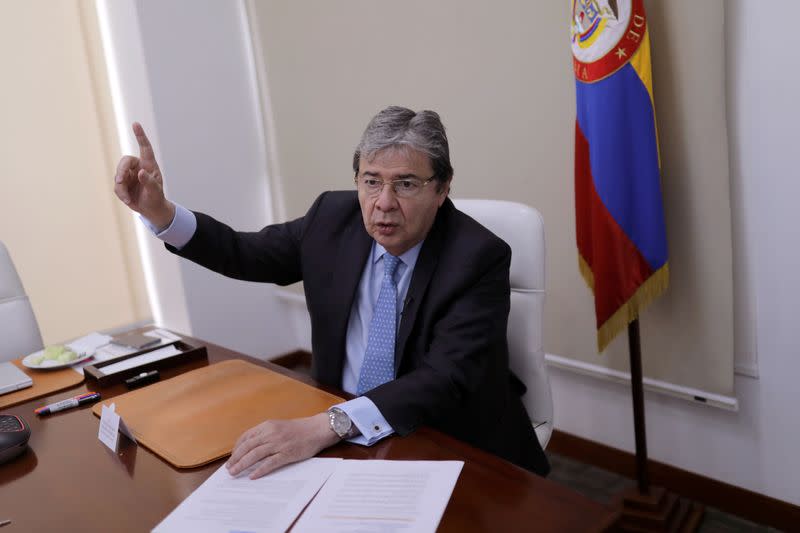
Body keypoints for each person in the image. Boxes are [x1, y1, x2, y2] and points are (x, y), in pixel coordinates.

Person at [113, 106, 550, 478]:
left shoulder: (478, 257)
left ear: (442, 188)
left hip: (448, 439)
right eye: (371, 180)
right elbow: (244, 253)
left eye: (406, 184)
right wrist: (162, 213)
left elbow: (445, 379)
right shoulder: (331, 217)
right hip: (342, 432)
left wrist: (330, 424)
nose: (383, 202)